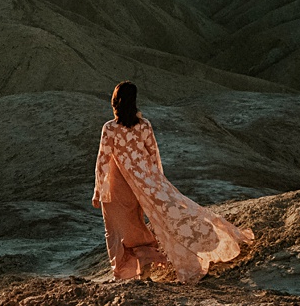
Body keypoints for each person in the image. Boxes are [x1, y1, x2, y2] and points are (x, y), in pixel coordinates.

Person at [91, 81, 253, 283]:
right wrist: (157, 183)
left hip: (118, 187)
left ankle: (125, 274)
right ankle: (145, 264)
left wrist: (99, 190)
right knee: (145, 222)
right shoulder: (144, 125)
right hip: (143, 183)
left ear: (115, 101)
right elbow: (153, 155)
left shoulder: (110, 128)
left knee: (115, 230)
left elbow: (103, 160)